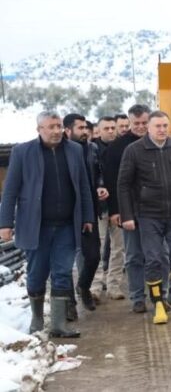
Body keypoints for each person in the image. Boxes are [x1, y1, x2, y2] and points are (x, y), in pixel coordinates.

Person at [0, 111, 94, 338]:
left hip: (66, 225)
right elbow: (10, 190)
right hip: (36, 225)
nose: (56, 131)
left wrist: (88, 217)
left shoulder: (74, 150)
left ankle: (59, 324)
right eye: (50, 127)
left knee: (62, 272)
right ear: (39, 130)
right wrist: (4, 223)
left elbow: (83, 186)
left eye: (58, 126)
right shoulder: (23, 152)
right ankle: (37, 320)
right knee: (37, 273)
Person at [117, 110, 171, 324]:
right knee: (153, 259)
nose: (162, 130)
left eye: (165, 126)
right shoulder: (134, 150)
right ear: (148, 128)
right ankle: (158, 303)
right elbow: (123, 184)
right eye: (158, 126)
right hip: (148, 215)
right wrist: (127, 215)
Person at [103, 105, 150, 312]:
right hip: (129, 210)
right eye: (136, 123)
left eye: (144, 123)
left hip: (157, 210)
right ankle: (138, 297)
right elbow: (112, 182)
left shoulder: (160, 142)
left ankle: (160, 294)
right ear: (129, 122)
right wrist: (116, 211)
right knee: (133, 256)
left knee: (158, 255)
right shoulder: (117, 148)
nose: (140, 127)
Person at [63, 113, 108, 313]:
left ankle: (83, 286)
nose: (85, 132)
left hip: (89, 210)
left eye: (85, 128)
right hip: (65, 213)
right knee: (63, 262)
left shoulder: (92, 148)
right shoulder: (61, 151)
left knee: (93, 257)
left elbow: (98, 172)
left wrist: (100, 186)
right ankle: (69, 304)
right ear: (68, 131)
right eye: (80, 128)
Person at [90, 116, 122, 300]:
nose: (110, 131)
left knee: (119, 248)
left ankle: (114, 286)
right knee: (98, 247)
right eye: (106, 128)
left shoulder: (122, 148)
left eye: (112, 127)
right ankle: (95, 287)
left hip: (119, 205)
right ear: (99, 130)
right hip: (99, 207)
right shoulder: (91, 150)